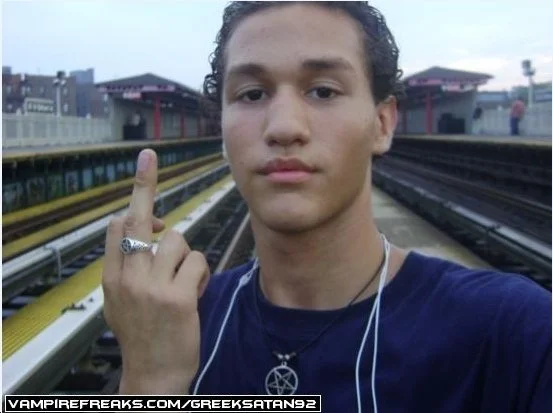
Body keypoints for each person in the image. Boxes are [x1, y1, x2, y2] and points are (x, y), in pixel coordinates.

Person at [102, 2, 551, 412]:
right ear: (221, 128)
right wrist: (149, 383)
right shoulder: (175, 324)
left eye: (323, 91)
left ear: (381, 124)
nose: (283, 128)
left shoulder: (515, 333)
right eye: (252, 95)